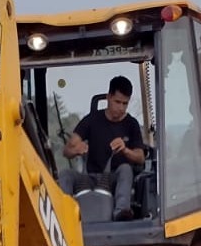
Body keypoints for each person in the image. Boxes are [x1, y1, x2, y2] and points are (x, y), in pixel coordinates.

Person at [59, 75, 145, 220]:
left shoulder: (132, 124)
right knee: (65, 174)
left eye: (125, 104)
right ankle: (63, 214)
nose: (121, 108)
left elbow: (141, 157)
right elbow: (66, 151)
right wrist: (77, 150)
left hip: (113, 179)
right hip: (88, 177)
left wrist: (125, 150)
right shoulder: (92, 120)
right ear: (108, 97)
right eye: (117, 102)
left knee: (126, 169)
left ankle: (121, 212)